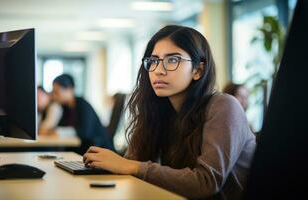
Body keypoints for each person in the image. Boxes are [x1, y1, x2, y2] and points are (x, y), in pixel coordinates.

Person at [83, 25, 256, 200]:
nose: (158, 70)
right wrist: (109, 164)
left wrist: (131, 166)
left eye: (172, 60)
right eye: (154, 61)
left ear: (198, 70)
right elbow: (133, 162)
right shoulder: (160, 109)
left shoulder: (224, 106)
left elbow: (206, 183)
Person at [52, 74, 114, 152]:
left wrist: (59, 131)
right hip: (80, 149)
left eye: (57, 92)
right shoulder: (65, 107)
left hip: (98, 149)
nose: (54, 96)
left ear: (69, 89)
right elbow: (60, 127)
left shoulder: (83, 105)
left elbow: (85, 132)